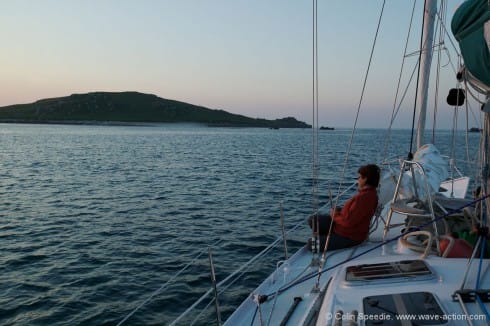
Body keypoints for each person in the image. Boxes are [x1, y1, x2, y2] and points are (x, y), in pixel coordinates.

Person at [308, 164, 380, 251]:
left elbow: (348, 222)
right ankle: (327, 239)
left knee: (311, 244)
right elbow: (356, 214)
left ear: (365, 179)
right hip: (342, 227)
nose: (358, 180)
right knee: (313, 220)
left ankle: (329, 240)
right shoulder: (371, 194)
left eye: (359, 177)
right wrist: (340, 211)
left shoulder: (363, 198)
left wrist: (334, 215)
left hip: (349, 236)